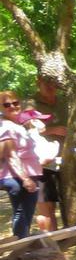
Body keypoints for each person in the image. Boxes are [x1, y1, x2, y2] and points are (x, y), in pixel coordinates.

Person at [0, 92, 43, 237]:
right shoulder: (6, 127)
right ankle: (19, 248)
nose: (12, 106)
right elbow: (11, 156)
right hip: (17, 177)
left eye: (15, 103)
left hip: (26, 173)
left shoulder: (16, 125)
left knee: (25, 213)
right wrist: (25, 179)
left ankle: (20, 247)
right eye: (7, 105)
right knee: (23, 213)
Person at [31, 75, 67, 231]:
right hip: (43, 160)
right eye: (46, 82)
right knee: (46, 204)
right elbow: (26, 130)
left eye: (53, 82)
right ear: (38, 82)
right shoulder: (30, 104)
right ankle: (50, 243)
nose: (51, 86)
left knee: (70, 200)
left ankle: (66, 237)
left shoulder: (65, 101)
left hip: (67, 156)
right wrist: (51, 130)